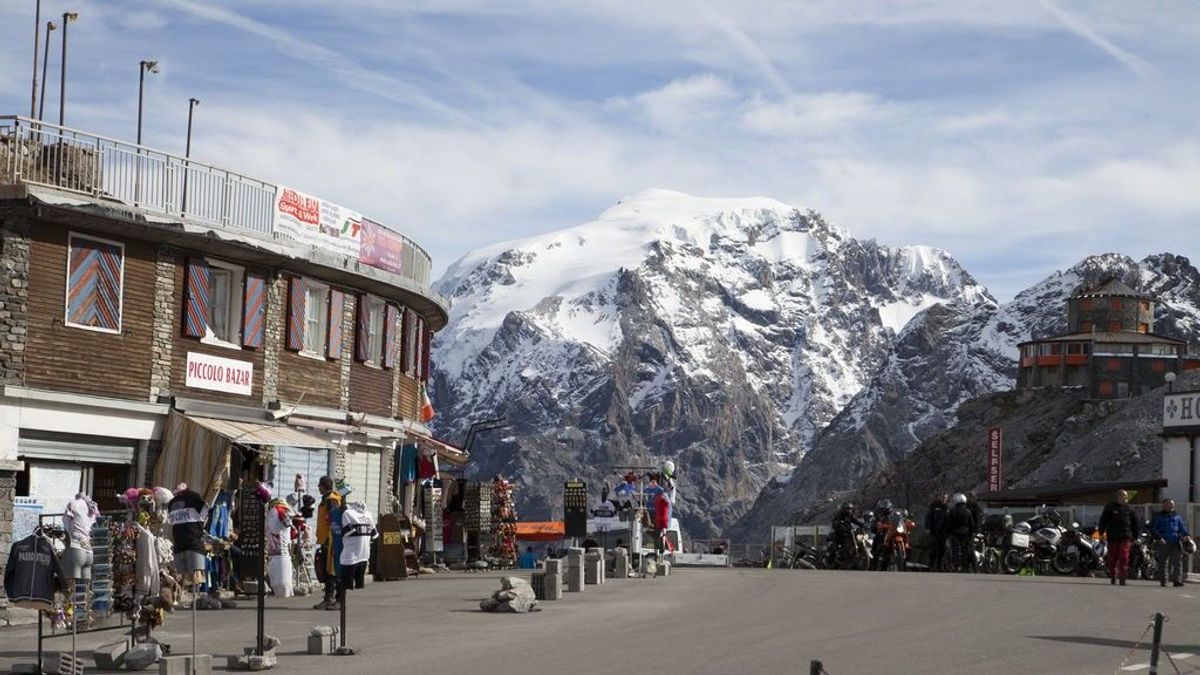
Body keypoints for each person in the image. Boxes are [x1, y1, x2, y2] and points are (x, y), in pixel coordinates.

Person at [312, 476, 344, 610]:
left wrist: (331, 539)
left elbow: (335, 520)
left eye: (320, 485)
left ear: (324, 487)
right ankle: (328, 598)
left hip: (331, 540)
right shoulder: (326, 500)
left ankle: (337, 600)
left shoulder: (332, 501)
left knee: (333, 570)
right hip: (326, 540)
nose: (318, 488)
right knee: (327, 570)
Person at [1099, 489, 1140, 586]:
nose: (1125, 498)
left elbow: (1136, 524)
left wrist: (1136, 536)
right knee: (1112, 558)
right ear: (1118, 497)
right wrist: (1101, 533)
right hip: (1113, 537)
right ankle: (1113, 576)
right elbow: (1103, 521)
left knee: (1124, 557)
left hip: (1125, 536)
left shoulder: (1130, 508)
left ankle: (1123, 578)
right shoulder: (1110, 507)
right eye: (1123, 496)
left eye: (1126, 496)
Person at [1149, 499, 1190, 588]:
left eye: (1172, 504)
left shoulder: (1177, 517)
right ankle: (1164, 580)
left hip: (1175, 542)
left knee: (1177, 562)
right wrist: (1159, 538)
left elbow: (1182, 529)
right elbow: (1152, 529)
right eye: (1169, 504)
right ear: (1164, 505)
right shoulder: (1158, 516)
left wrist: (1187, 535)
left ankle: (1177, 581)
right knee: (1163, 562)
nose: (1171, 506)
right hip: (1163, 542)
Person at [945, 493, 976, 573]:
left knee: (955, 550)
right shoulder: (968, 512)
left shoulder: (953, 511)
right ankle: (965, 567)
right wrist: (971, 533)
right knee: (965, 550)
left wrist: (948, 532)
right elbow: (971, 524)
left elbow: (949, 523)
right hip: (965, 534)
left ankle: (956, 566)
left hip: (955, 533)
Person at [829, 502, 864, 568]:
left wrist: (863, 525)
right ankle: (832, 560)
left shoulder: (849, 516)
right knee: (837, 545)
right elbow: (835, 523)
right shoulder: (839, 515)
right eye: (848, 509)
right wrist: (838, 525)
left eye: (850, 509)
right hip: (839, 534)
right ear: (844, 510)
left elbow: (855, 521)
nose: (849, 511)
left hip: (848, 533)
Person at [925, 493, 949, 572]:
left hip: (944, 532)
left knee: (942, 550)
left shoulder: (947, 507)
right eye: (942, 497)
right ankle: (931, 565)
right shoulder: (934, 506)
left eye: (945, 497)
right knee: (934, 549)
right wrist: (928, 528)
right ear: (939, 497)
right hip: (934, 531)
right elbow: (928, 517)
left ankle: (939, 566)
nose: (944, 499)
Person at [871, 499, 894, 571]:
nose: (885, 510)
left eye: (887, 508)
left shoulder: (893, 515)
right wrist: (878, 525)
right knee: (877, 542)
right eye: (883, 509)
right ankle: (874, 564)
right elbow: (874, 526)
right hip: (883, 534)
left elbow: (900, 520)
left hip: (892, 533)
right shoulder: (878, 516)